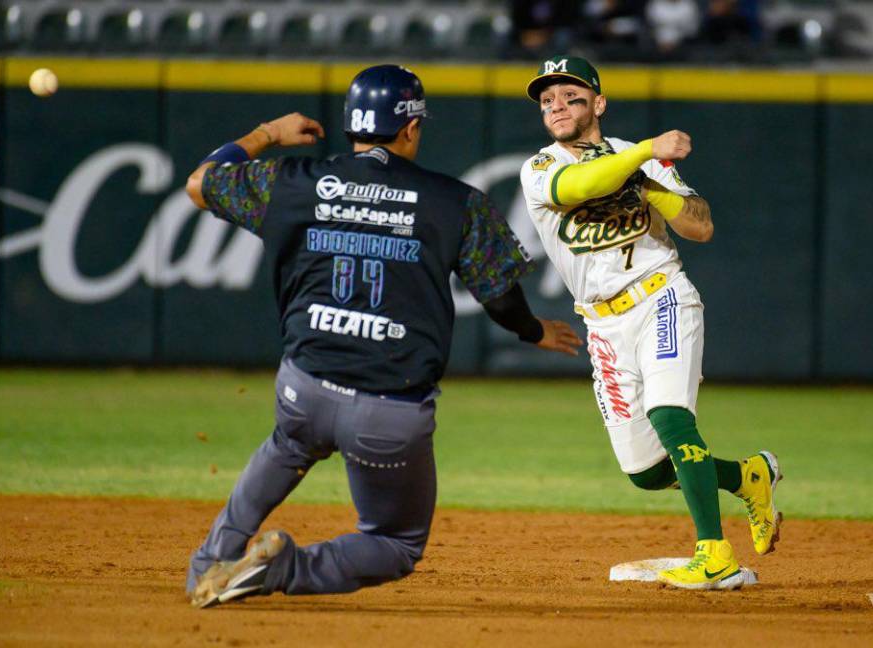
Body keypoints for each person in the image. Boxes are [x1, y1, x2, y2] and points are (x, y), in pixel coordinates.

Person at [183, 64, 582, 609]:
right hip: (388, 410)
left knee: (290, 442)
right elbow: (499, 297)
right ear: (412, 128)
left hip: (304, 386)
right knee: (396, 542)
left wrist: (268, 135)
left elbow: (199, 184)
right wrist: (533, 331)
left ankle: (208, 563)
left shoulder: (295, 182)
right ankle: (284, 569)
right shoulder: (453, 201)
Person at [517, 56, 782, 591]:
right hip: (602, 325)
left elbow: (699, 226)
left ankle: (714, 553)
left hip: (660, 297)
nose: (558, 107)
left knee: (670, 415)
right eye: (548, 101)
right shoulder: (539, 168)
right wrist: (642, 155)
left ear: (599, 103)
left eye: (570, 96)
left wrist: (647, 179)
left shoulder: (638, 159)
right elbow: (577, 187)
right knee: (645, 471)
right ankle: (747, 476)